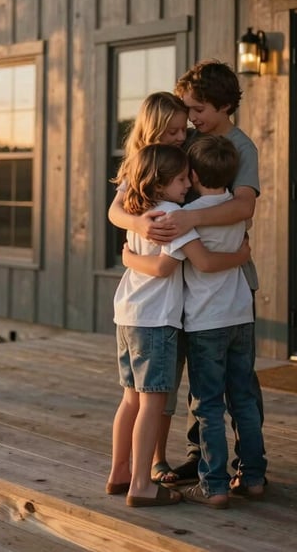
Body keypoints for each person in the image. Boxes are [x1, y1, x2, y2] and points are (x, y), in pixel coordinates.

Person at [125, 135, 267, 508]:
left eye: (187, 177)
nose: (185, 184)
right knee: (244, 399)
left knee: (207, 404)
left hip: (205, 322)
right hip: (241, 317)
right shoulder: (236, 211)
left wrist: (127, 257)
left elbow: (198, 263)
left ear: (194, 175)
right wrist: (240, 255)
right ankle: (253, 478)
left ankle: (215, 485)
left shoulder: (183, 216)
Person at [108, 91, 189, 485]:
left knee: (131, 399)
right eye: (172, 130)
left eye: (183, 129)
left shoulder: (143, 190)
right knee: (154, 401)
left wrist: (127, 257)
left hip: (127, 311)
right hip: (155, 317)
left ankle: (120, 472)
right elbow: (163, 265)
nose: (180, 135)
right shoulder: (169, 210)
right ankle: (141, 482)